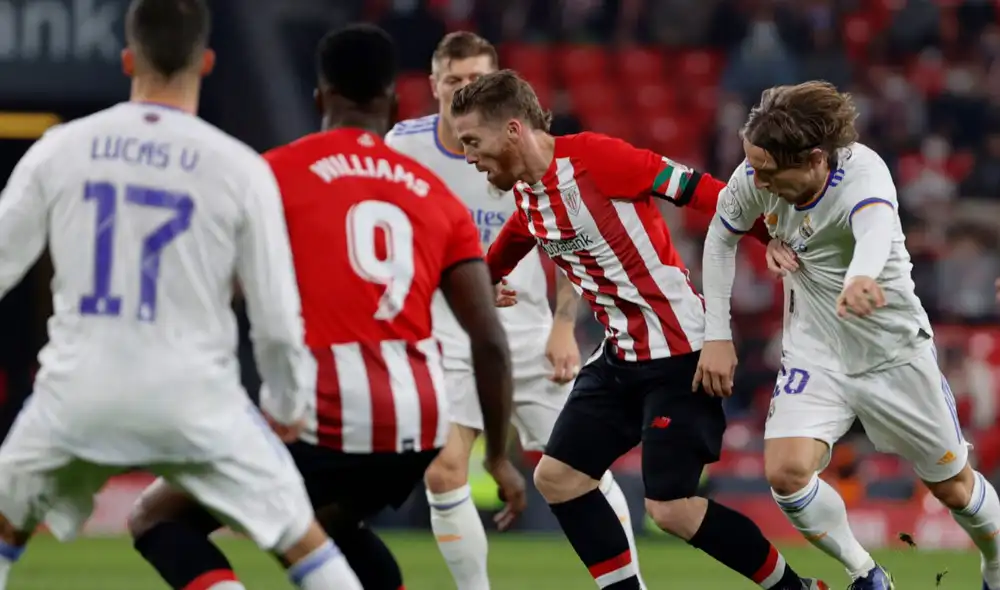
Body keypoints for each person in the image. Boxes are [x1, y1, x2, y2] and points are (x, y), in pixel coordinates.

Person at [126, 23, 519, 590]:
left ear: (319, 98)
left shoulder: (272, 174)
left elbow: (211, 296)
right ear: (393, 103)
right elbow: (490, 342)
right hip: (417, 427)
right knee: (328, 524)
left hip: (324, 418)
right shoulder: (435, 194)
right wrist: (499, 456)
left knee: (156, 518)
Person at [0, 1, 362, 589]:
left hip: (77, 396)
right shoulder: (240, 168)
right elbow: (275, 316)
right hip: (196, 402)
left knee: (5, 526)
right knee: (304, 545)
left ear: (127, 60)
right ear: (207, 62)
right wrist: (287, 402)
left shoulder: (60, 148)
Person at [453, 70, 829, 590]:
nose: (467, 156)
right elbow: (512, 242)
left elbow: (700, 190)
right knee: (559, 478)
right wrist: (485, 280)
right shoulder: (527, 196)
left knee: (670, 508)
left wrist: (770, 237)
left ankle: (795, 589)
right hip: (621, 358)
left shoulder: (599, 158)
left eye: (473, 141)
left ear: (513, 130)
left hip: (681, 353)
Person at [697, 80, 1000, 590]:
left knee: (954, 488)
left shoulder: (863, 173)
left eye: (769, 172)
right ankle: (866, 574)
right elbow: (719, 238)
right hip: (815, 352)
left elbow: (874, 229)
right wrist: (716, 335)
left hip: (893, 353)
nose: (756, 180)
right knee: (786, 474)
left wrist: (861, 276)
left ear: (815, 159)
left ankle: (995, 559)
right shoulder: (756, 172)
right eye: (753, 166)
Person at [385, 31, 642, 589]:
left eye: (476, 78)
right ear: (433, 84)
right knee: (443, 470)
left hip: (527, 335)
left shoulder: (523, 145)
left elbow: (571, 234)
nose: (464, 88)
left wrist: (563, 323)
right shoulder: (402, 149)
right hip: (448, 336)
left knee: (583, 468)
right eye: (453, 80)